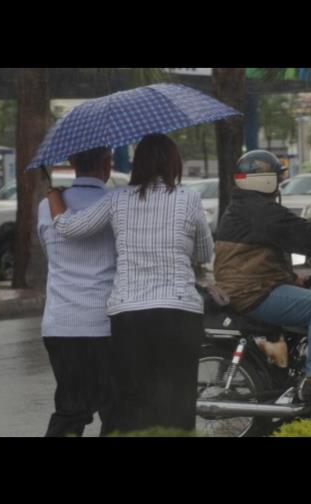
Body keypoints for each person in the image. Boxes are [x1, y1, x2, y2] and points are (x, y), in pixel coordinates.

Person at [47, 134, 213, 434]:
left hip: (130, 316)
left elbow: (69, 228)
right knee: (179, 401)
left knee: (133, 402)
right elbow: (205, 252)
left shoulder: (118, 199)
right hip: (179, 312)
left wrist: (53, 196)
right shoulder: (189, 198)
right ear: (174, 163)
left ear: (138, 165)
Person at [213, 150, 311, 402]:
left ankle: (289, 375)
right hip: (252, 292)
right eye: (276, 176)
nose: (279, 182)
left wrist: (290, 278)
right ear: (263, 180)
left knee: (304, 304)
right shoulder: (261, 211)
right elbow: (306, 235)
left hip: (246, 287)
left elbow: (257, 257)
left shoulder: (245, 207)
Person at [36, 146, 116, 437]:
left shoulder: (47, 206)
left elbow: (50, 251)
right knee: (115, 410)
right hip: (104, 324)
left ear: (71, 162)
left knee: (70, 410)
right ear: (107, 164)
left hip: (60, 324)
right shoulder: (114, 204)